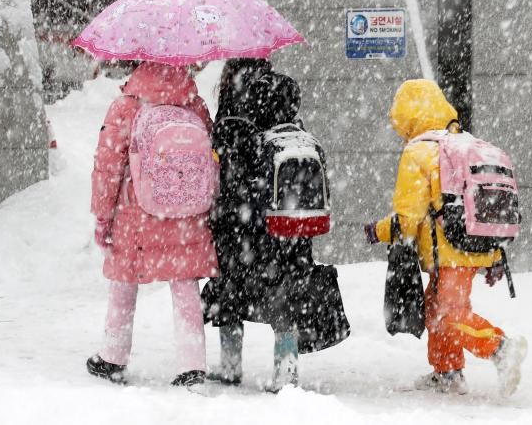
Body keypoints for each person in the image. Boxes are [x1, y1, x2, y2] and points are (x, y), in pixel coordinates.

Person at [364, 79, 528, 397]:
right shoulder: (464, 144)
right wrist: (493, 256)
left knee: (449, 314)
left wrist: (378, 231)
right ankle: (448, 373)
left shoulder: (418, 152)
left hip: (451, 250)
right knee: (435, 309)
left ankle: (500, 347)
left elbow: (408, 219)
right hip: (472, 244)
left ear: (408, 116)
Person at [201, 62, 343, 390]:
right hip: (287, 221)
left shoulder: (233, 111)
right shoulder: (286, 105)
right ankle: (286, 372)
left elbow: (223, 169)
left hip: (241, 221)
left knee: (230, 289)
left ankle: (231, 365)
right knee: (286, 292)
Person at [86, 61, 218, 387]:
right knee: (185, 286)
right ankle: (193, 366)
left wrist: (103, 216)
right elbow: (208, 157)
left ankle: (112, 358)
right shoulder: (194, 104)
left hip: (136, 215)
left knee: (123, 283)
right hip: (187, 214)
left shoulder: (126, 106)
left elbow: (107, 167)